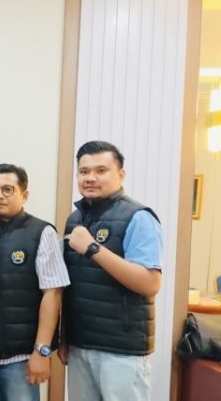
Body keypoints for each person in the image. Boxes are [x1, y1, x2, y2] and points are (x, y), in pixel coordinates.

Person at [59, 141, 163, 401]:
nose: (90, 178)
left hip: (122, 351)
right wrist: (65, 337)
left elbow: (150, 283)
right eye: (84, 171)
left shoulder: (139, 217)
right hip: (80, 345)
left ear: (121, 174)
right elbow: (71, 286)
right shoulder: (75, 219)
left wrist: (93, 248)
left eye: (101, 170)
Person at [0, 164, 70, 401]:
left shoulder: (41, 233)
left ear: (24, 195)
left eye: (8, 189)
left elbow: (53, 294)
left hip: (20, 357)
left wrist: (42, 352)